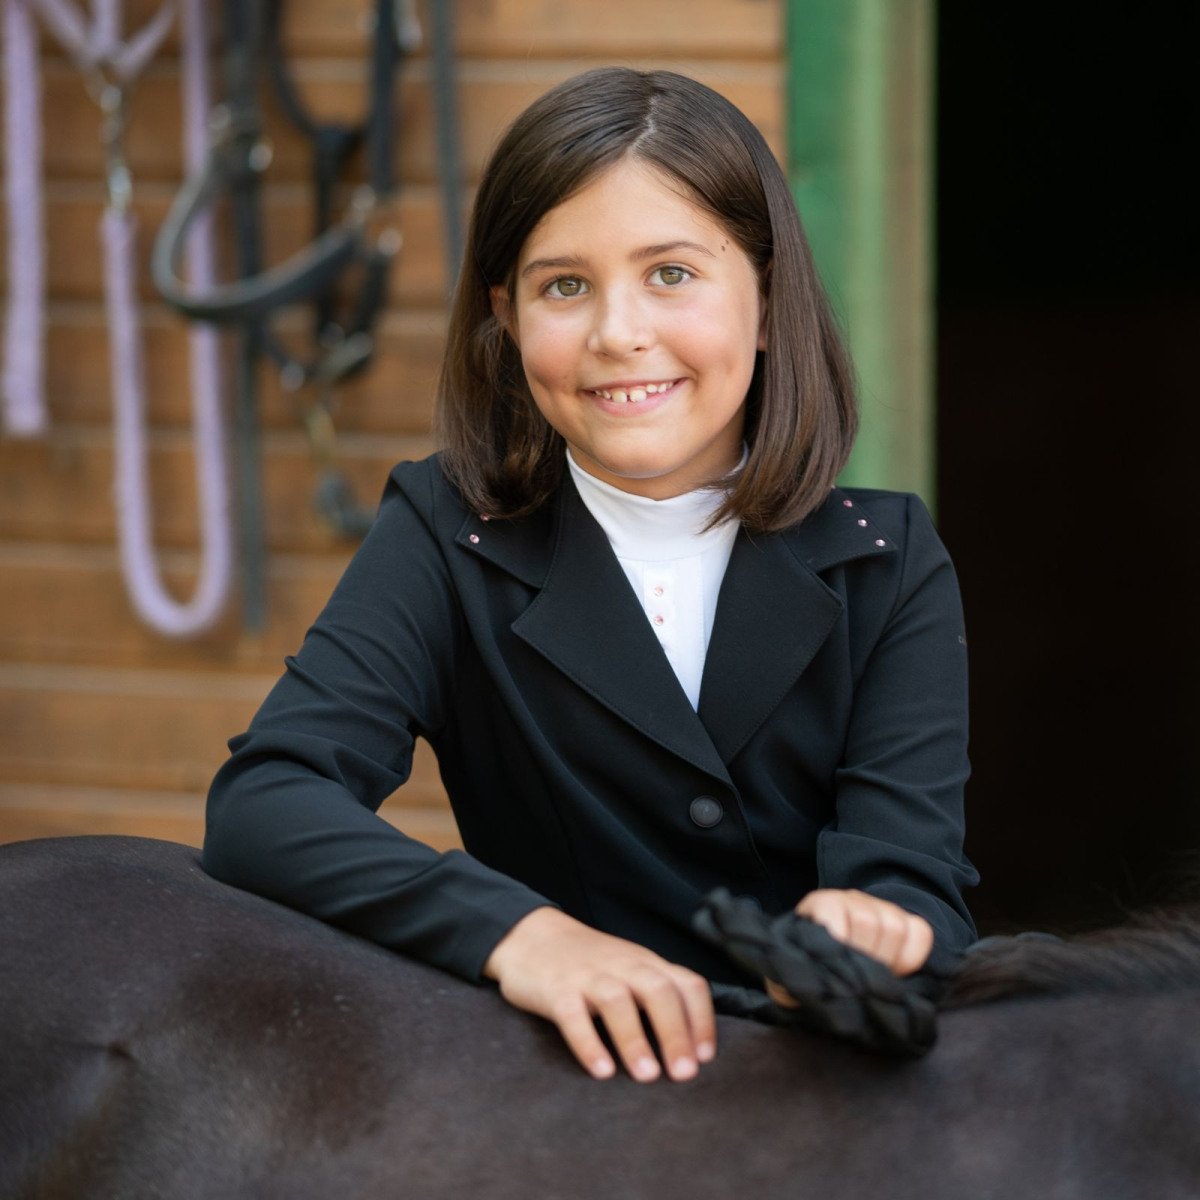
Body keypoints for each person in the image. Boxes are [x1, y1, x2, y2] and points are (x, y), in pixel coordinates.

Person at [204, 68, 977, 1085]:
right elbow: (267, 799)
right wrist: (523, 934)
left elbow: (915, 886)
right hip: (568, 1096)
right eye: (564, 286)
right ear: (507, 317)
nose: (618, 334)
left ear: (766, 300)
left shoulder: (887, 556)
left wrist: (872, 929)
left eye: (672, 274)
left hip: (811, 1093)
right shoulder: (448, 531)